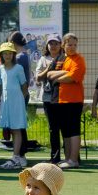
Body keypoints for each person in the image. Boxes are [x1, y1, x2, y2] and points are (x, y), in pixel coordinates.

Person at [45, 33, 86, 169]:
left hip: (74, 101)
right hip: (60, 101)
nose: (72, 47)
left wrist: (58, 77)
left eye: (75, 45)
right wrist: (64, 73)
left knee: (74, 131)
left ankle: (74, 160)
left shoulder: (79, 59)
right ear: (63, 46)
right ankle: (68, 159)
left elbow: (73, 77)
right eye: (69, 45)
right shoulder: (60, 59)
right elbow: (49, 74)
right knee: (66, 132)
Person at [0, 42, 30, 170]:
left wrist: (21, 100)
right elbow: (0, 85)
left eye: (10, 53)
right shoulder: (0, 68)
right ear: (1, 55)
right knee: (11, 128)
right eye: (5, 53)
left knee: (16, 129)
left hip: (17, 102)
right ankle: (17, 158)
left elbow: (24, 86)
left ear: (13, 55)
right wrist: (2, 99)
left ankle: (16, 157)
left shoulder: (18, 68)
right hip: (6, 102)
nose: (8, 55)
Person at [36, 34, 64, 163]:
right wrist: (49, 69)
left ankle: (72, 157)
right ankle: (55, 158)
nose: (53, 46)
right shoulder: (43, 59)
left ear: (60, 45)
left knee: (65, 128)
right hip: (48, 97)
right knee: (53, 129)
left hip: (62, 97)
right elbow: (38, 78)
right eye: (51, 43)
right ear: (47, 45)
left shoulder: (65, 59)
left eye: (56, 43)